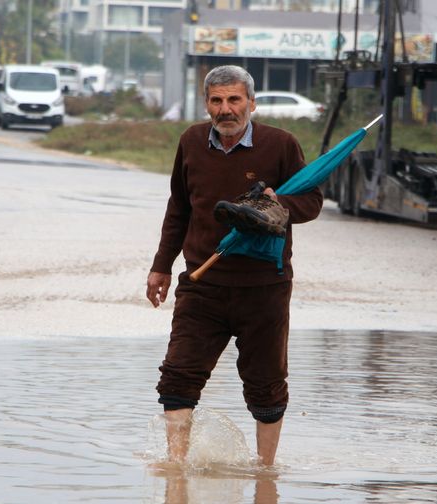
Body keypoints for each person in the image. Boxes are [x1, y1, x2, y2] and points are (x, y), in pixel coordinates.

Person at [146, 65, 323, 466]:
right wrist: (161, 267)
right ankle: (176, 472)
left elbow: (312, 202)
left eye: (234, 100)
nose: (226, 109)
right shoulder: (191, 141)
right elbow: (179, 207)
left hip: (264, 287)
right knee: (178, 377)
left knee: (266, 386)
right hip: (201, 283)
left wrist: (279, 204)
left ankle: (266, 473)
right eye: (217, 100)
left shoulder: (280, 145)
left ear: (251, 103)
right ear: (206, 104)